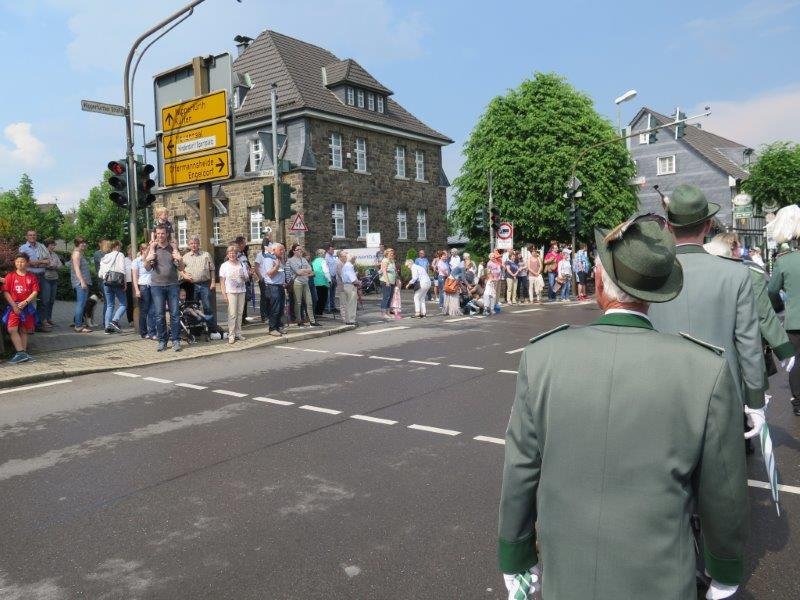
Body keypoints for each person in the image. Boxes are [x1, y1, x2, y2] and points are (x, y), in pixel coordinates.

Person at [498, 215, 748, 600]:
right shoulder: (705, 368)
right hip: (660, 576)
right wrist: (725, 566)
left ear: (599, 285)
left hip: (568, 573)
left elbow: (521, 468)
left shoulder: (542, 356)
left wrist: (515, 553)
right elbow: (722, 488)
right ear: (658, 293)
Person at [649, 185, 767, 438]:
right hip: (722, 390)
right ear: (708, 225)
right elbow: (748, 343)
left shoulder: (651, 276)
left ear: (668, 227)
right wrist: (755, 399)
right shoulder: (735, 273)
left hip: (663, 390)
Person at [706, 233, 795, 403]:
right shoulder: (749, 272)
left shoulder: (702, 272)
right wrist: (784, 349)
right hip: (744, 348)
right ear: (733, 248)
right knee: (749, 401)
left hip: (707, 348)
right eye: (738, 246)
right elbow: (764, 315)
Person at [766, 205, 800, 416]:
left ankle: (798, 403)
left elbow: (772, 290)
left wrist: (778, 306)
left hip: (795, 321)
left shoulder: (785, 260)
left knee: (796, 362)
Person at [145, 225, 185, 352]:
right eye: (158, 233)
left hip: (172, 285)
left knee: (175, 314)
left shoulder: (172, 248)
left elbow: (181, 268)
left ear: (167, 234)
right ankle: (162, 341)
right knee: (159, 315)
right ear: (155, 234)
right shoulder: (152, 248)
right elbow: (147, 268)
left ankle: (176, 340)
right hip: (157, 286)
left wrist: (180, 259)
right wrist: (148, 259)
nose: (160, 236)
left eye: (162, 233)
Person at [2, 253, 40, 363]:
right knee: (12, 329)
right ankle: (20, 353)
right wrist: (14, 305)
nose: (19, 264)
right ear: (15, 263)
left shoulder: (31, 277)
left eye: (22, 261)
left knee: (24, 330)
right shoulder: (10, 276)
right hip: (14, 307)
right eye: (17, 261)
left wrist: (26, 302)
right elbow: (6, 292)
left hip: (26, 307)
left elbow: (35, 291)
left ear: (27, 263)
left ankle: (24, 354)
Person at [180, 235, 217, 330]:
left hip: (204, 284)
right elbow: (180, 270)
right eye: (191, 243)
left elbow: (212, 269)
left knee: (207, 307)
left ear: (199, 244)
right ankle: (195, 329)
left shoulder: (206, 255)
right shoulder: (185, 257)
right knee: (192, 308)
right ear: (189, 245)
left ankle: (212, 329)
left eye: (196, 243)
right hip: (191, 286)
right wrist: (184, 276)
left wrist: (213, 282)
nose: (194, 245)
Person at [18, 229, 48, 331]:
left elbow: (48, 261)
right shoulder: (23, 248)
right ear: (26, 237)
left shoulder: (41, 247)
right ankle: (29, 325)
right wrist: (40, 262)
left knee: (43, 300)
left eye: (34, 235)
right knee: (30, 301)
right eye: (30, 235)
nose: (32, 237)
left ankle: (39, 324)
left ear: (36, 236)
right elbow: (25, 262)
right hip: (30, 276)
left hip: (42, 276)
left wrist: (35, 262)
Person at [219, 244, 249, 344]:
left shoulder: (242, 264)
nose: (232, 255)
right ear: (227, 254)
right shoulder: (224, 266)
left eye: (234, 253)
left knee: (240, 313)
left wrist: (244, 277)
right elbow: (222, 282)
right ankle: (231, 334)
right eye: (230, 253)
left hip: (241, 291)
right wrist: (224, 294)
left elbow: (247, 278)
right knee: (232, 314)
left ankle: (238, 333)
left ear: (237, 254)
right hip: (230, 291)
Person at [287, 243, 321, 327]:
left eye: (301, 249)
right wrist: (305, 271)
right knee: (298, 302)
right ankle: (299, 320)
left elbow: (311, 270)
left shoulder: (304, 259)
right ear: (294, 251)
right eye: (298, 250)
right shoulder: (291, 260)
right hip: (297, 282)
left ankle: (312, 321)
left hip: (305, 281)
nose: (300, 251)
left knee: (309, 302)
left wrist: (303, 271)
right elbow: (298, 272)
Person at [97, 240, 127, 334]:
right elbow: (122, 270)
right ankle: (115, 321)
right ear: (117, 246)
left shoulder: (105, 256)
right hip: (117, 282)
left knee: (110, 305)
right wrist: (125, 283)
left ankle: (107, 328)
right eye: (120, 246)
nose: (120, 248)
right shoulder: (120, 255)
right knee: (123, 304)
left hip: (106, 283)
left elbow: (100, 274)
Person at [259, 243, 287, 337]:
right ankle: (272, 328)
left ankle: (278, 327)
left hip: (280, 286)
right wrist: (277, 266)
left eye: (283, 249)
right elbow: (270, 274)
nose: (283, 251)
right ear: (274, 250)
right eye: (281, 250)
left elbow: (282, 271)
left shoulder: (277, 258)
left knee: (280, 308)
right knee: (275, 308)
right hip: (272, 287)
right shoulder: (268, 259)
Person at [132, 242, 156, 340]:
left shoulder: (152, 260)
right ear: (142, 250)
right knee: (144, 310)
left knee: (152, 310)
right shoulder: (137, 261)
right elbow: (135, 277)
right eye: (146, 249)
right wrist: (137, 290)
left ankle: (152, 332)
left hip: (153, 285)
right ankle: (143, 332)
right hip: (143, 286)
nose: (148, 251)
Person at [70, 237, 92, 333]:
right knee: (81, 304)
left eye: (84, 243)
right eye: (81, 243)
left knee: (82, 303)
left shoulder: (79, 253)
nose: (84, 244)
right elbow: (77, 269)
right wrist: (82, 281)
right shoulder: (76, 254)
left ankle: (77, 322)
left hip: (83, 282)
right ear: (77, 244)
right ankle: (78, 326)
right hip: (80, 283)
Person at [40, 238, 62, 329]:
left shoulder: (55, 254)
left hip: (54, 278)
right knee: (45, 300)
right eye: (52, 245)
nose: (53, 247)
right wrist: (51, 265)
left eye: (54, 245)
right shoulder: (43, 254)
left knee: (52, 301)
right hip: (46, 278)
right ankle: (43, 320)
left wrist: (53, 265)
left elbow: (59, 265)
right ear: (47, 245)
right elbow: (42, 264)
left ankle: (49, 318)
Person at [234, 235, 256, 323]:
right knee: (240, 302)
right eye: (244, 243)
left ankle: (243, 318)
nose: (245, 245)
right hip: (239, 281)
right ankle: (239, 320)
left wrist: (250, 270)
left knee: (245, 300)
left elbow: (246, 265)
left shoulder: (243, 254)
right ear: (240, 244)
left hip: (246, 280)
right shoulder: (235, 254)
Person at [339, 250, 359, 325]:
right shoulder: (349, 266)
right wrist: (359, 282)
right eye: (354, 259)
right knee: (352, 304)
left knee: (347, 304)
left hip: (346, 285)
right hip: (350, 286)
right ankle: (351, 320)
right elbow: (353, 279)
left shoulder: (345, 266)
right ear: (351, 259)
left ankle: (348, 319)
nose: (355, 260)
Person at [379, 247, 398, 319]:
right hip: (385, 281)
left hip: (392, 281)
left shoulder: (392, 261)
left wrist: (396, 280)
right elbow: (384, 271)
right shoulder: (385, 260)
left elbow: (394, 271)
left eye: (393, 253)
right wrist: (387, 281)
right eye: (391, 253)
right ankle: (383, 313)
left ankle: (388, 312)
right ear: (387, 254)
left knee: (390, 297)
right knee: (386, 296)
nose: (392, 254)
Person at [311, 249, 330, 317]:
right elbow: (326, 271)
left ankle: (316, 312)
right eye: (324, 253)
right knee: (323, 298)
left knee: (317, 298)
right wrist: (329, 280)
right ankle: (319, 313)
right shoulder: (323, 261)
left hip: (315, 281)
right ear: (321, 254)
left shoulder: (313, 261)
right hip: (323, 282)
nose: (325, 255)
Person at [325, 244, 339, 313]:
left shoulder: (332, 257)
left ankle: (333, 307)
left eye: (333, 249)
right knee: (328, 293)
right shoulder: (326, 257)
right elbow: (326, 268)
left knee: (333, 293)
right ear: (328, 250)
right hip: (329, 277)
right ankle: (328, 308)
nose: (333, 251)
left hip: (334, 276)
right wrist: (329, 277)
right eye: (332, 249)